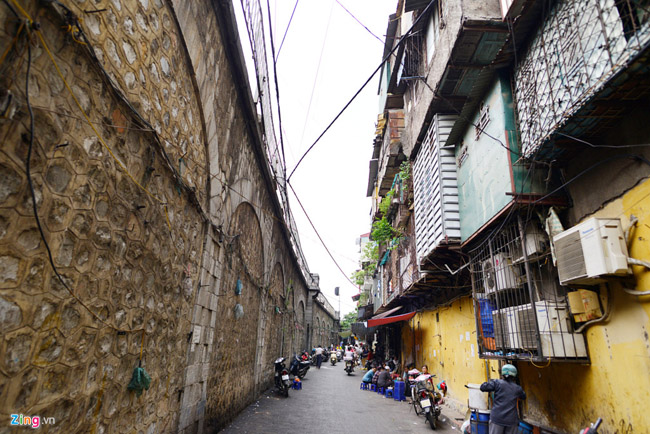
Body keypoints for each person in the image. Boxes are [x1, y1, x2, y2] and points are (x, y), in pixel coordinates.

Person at [480, 364, 526, 434]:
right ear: (514, 375)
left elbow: (483, 387)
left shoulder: (497, 383)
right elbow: (523, 396)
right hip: (511, 420)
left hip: (497, 419)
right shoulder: (517, 388)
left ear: (503, 374)